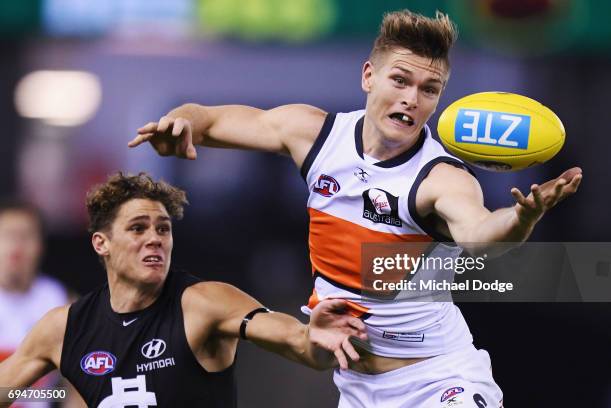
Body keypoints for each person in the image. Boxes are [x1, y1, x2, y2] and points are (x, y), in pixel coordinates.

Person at [129, 10, 582, 407]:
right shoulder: (314, 134)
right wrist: (182, 119)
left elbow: (480, 234)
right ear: (369, 76)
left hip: (440, 382)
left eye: (429, 88)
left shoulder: (441, 177)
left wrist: (521, 218)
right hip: (358, 389)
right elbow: (213, 119)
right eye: (400, 80)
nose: (411, 98)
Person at [0, 172, 366, 407]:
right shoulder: (66, 326)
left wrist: (313, 339)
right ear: (101, 243)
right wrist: (44, 396)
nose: (155, 239)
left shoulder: (204, 303)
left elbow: (296, 342)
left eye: (163, 229)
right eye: (138, 228)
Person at [0, 200, 69, 408]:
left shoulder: (57, 299)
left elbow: (73, 384)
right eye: (9, 235)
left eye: (26, 236)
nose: (17, 245)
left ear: (40, 245)